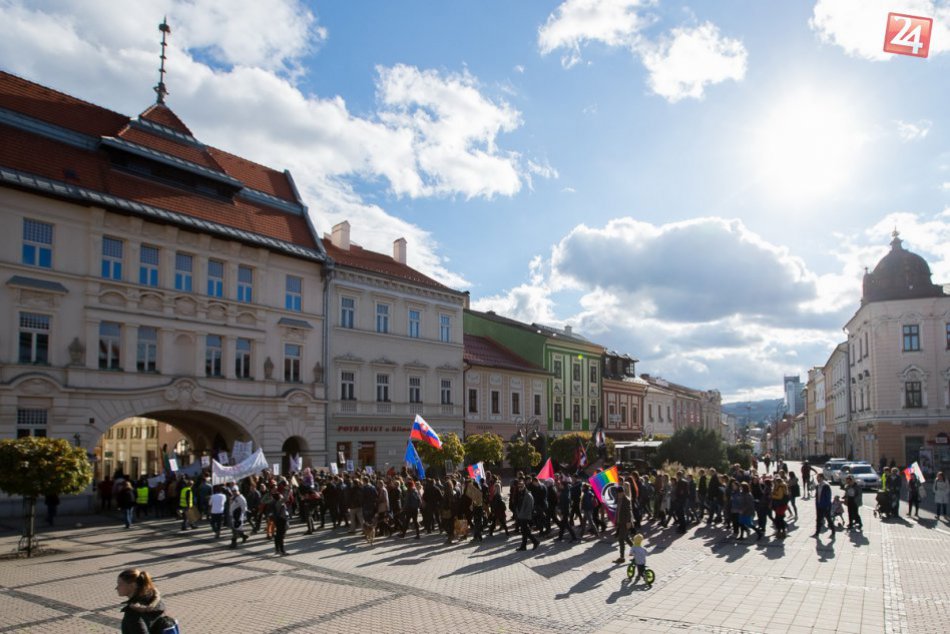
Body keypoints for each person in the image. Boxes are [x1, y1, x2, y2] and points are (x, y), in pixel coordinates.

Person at [116, 568, 167, 633]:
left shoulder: (133, 613)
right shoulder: (154, 599)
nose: (116, 588)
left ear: (133, 585)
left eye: (120, 584)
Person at [515, 480, 539, 551]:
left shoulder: (528, 495)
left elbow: (529, 507)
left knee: (525, 531)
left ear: (524, 486)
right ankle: (524, 546)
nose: (519, 488)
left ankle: (535, 541)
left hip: (525, 516)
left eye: (521, 487)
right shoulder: (521, 493)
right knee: (524, 531)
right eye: (518, 487)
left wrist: (524, 515)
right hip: (521, 515)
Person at [613, 487, 634, 563]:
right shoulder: (618, 499)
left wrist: (628, 522)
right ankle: (637, 551)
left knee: (621, 539)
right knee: (626, 538)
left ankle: (622, 557)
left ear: (622, 492)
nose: (617, 494)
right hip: (620, 521)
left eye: (618, 493)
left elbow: (629, 512)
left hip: (625, 522)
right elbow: (617, 510)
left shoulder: (626, 500)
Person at [813, 473, 834, 539]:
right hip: (819, 505)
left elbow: (828, 497)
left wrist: (827, 505)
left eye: (818, 477)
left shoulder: (826, 485)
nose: (817, 479)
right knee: (818, 519)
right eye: (817, 477)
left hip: (825, 505)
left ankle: (833, 531)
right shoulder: (818, 485)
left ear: (822, 477)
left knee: (828, 519)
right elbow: (817, 495)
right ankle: (817, 533)